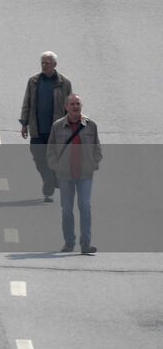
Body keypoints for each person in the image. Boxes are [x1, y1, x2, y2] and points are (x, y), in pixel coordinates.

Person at [46, 94, 102, 255]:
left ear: (81, 106)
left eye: (78, 103)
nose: (75, 106)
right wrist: (55, 166)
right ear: (66, 107)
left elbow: (97, 148)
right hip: (65, 175)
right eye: (72, 104)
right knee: (67, 210)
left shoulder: (90, 125)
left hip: (85, 174)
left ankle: (86, 244)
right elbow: (50, 150)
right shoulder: (57, 126)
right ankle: (69, 242)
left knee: (85, 206)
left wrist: (94, 163)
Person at [19, 52, 73, 203]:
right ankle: (50, 180)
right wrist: (24, 124)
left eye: (47, 63)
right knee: (39, 159)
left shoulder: (64, 83)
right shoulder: (34, 81)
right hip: (37, 129)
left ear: (54, 65)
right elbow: (27, 103)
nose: (44, 65)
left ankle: (49, 186)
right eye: (42, 62)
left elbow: (70, 107)